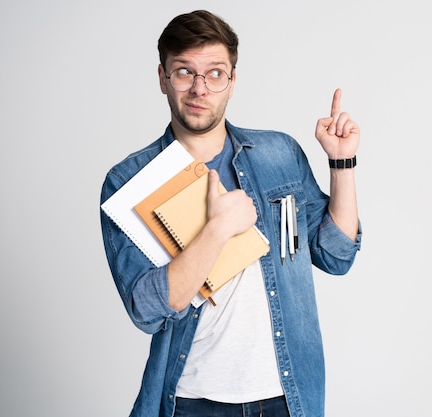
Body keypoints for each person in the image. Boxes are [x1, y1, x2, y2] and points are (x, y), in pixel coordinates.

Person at [100, 9, 362, 417]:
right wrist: (217, 229)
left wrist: (342, 165)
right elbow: (146, 311)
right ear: (162, 78)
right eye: (184, 72)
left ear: (232, 81)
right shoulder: (130, 182)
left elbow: (336, 255)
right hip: (190, 400)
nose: (199, 88)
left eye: (215, 73)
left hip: (287, 395)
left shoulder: (280, 154)